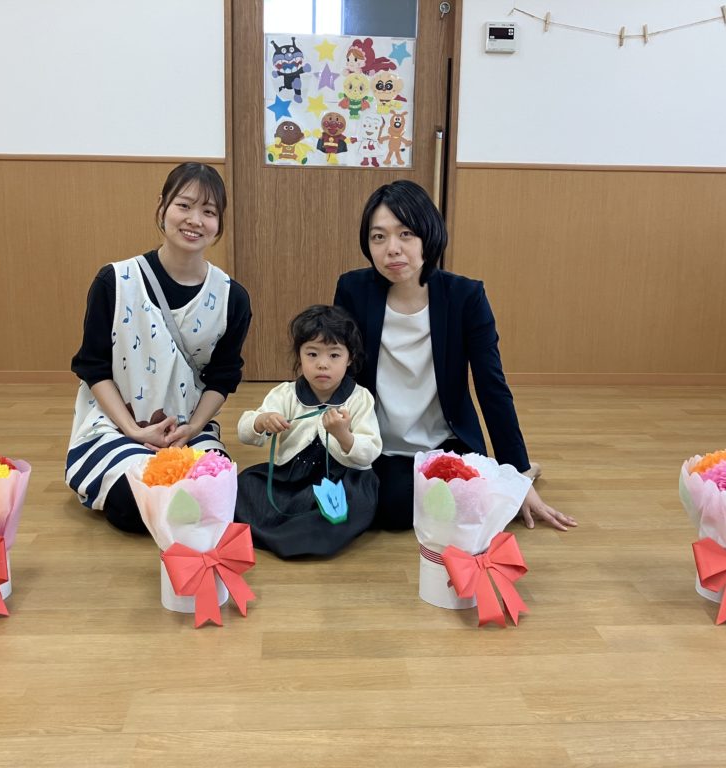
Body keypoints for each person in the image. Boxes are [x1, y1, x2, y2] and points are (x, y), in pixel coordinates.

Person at [333, 180, 576, 532]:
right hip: (377, 440)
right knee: (383, 509)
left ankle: (518, 473)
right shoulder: (353, 289)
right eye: (379, 237)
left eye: (405, 234)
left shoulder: (465, 296)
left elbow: (492, 387)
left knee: (434, 507)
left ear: (428, 235)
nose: (392, 249)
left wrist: (518, 472)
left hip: (442, 442)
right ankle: (487, 477)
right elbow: (340, 369)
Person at [66, 163, 251, 533]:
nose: (195, 220)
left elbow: (223, 376)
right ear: (162, 207)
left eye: (209, 211)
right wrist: (133, 431)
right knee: (134, 502)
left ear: (219, 224)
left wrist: (193, 427)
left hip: (187, 432)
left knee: (220, 496)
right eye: (184, 205)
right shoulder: (115, 281)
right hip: (115, 428)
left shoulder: (232, 297)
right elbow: (93, 367)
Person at [235, 305, 382, 558]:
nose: (322, 364)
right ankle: (295, 531)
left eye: (334, 355)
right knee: (244, 484)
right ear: (299, 356)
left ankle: (294, 534)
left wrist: (343, 435)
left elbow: (369, 452)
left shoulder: (360, 398)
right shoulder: (286, 394)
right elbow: (244, 432)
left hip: (342, 478)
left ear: (349, 359)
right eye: (312, 354)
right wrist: (262, 421)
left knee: (357, 501)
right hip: (292, 476)